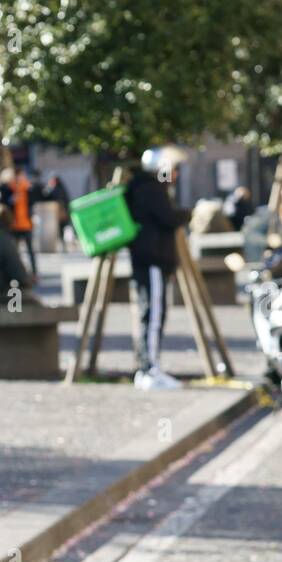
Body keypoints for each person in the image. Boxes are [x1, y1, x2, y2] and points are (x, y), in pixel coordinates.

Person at [126, 147, 192, 391]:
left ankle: (147, 367)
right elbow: (168, 218)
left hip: (149, 258)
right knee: (153, 314)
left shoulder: (143, 187)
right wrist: (187, 213)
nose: (174, 175)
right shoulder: (152, 189)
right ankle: (150, 369)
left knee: (151, 313)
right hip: (153, 259)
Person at [0, 204, 39, 303]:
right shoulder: (3, 239)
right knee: (33, 303)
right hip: (2, 288)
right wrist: (28, 281)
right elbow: (17, 270)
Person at [0, 167, 38, 278]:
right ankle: (19, 273)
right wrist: (11, 199)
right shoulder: (7, 189)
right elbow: (2, 203)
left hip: (27, 224)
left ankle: (34, 273)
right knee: (16, 252)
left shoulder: (27, 188)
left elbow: (33, 200)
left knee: (30, 251)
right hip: (14, 225)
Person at [44, 171, 71, 242]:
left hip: (60, 213)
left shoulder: (57, 189)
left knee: (61, 228)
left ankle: (63, 242)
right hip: (57, 213)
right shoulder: (57, 188)